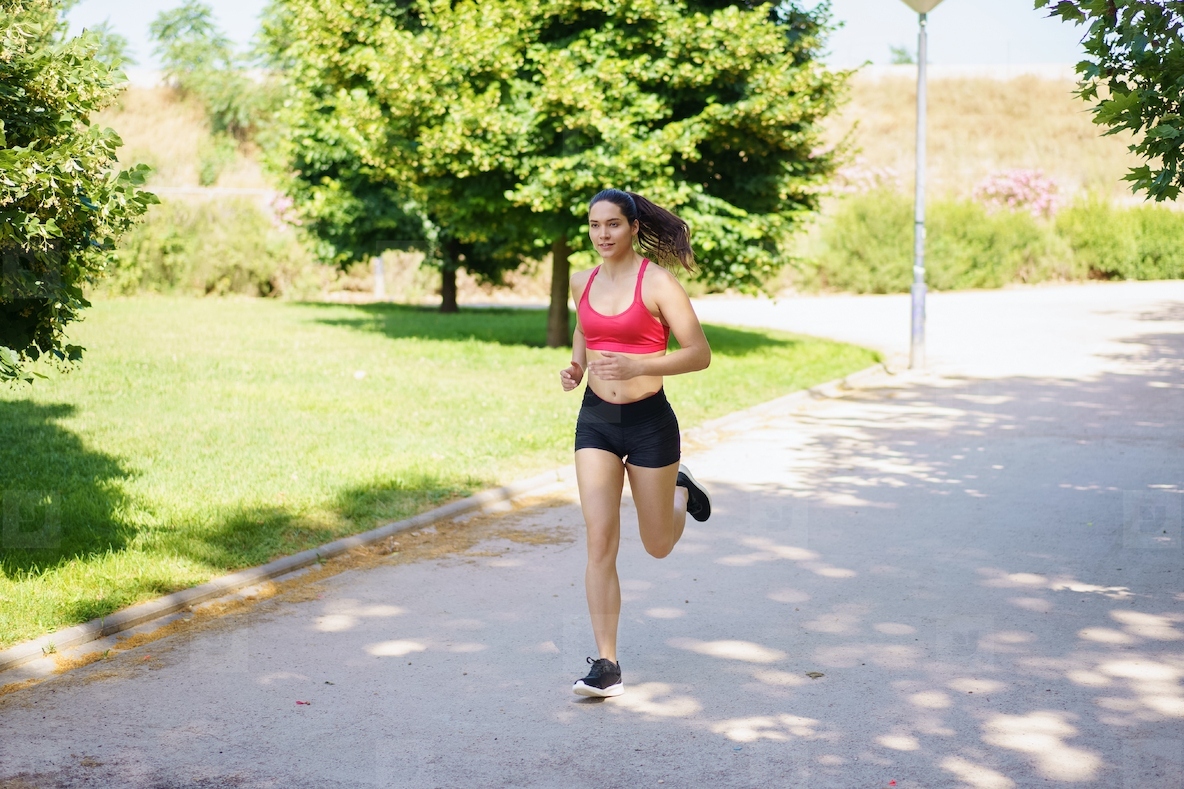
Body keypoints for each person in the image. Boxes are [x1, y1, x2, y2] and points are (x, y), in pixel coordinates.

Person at [559, 188, 713, 698]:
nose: (602, 234)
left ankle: (680, 492)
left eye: (612, 225)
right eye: (594, 225)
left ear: (632, 227)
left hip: (650, 423)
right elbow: (585, 328)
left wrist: (639, 364)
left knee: (657, 545)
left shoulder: (658, 283)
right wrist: (578, 365)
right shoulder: (581, 280)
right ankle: (607, 664)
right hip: (597, 421)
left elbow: (699, 354)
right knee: (600, 538)